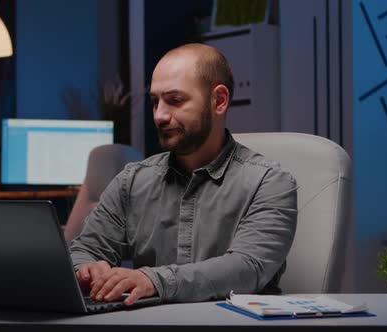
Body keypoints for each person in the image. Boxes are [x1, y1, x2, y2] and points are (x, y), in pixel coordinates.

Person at [69, 43, 297, 305]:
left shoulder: (270, 183)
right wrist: (85, 269)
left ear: (219, 101)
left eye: (175, 100)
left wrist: (153, 280)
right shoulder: (131, 182)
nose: (159, 116)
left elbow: (248, 268)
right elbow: (83, 249)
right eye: (155, 102)